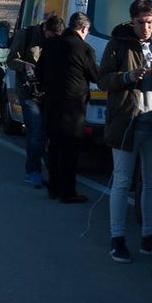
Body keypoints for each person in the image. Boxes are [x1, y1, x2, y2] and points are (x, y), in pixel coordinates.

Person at [97, 0, 152, 264]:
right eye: (140, 23)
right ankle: (117, 238)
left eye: (150, 22)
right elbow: (102, 79)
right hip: (127, 120)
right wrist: (127, 77)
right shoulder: (118, 44)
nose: (145, 28)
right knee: (122, 180)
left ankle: (149, 237)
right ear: (132, 21)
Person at [37, 12, 99, 203]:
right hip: (74, 107)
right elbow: (95, 76)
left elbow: (39, 72)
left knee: (54, 148)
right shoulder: (84, 48)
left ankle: (54, 187)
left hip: (52, 104)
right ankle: (68, 192)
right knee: (70, 151)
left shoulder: (50, 45)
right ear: (83, 28)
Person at [8, 13, 61, 187]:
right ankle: (33, 172)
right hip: (28, 92)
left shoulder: (55, 40)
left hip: (47, 92)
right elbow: (10, 61)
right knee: (36, 131)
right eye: (50, 36)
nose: (51, 40)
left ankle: (50, 171)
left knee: (45, 134)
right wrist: (25, 65)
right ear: (45, 27)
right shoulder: (26, 34)